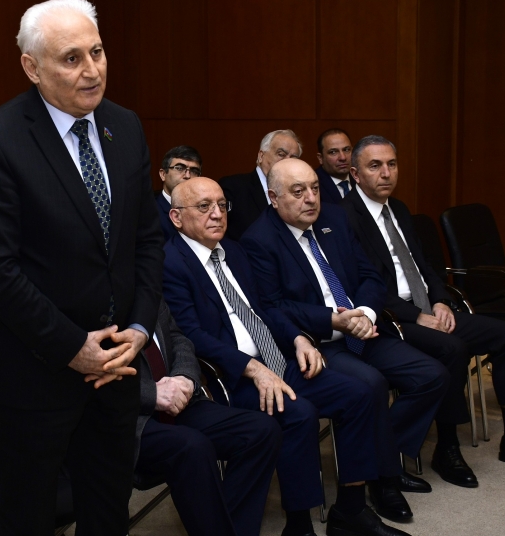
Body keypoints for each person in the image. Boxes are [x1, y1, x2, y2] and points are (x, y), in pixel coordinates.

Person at [0, 0, 163, 536]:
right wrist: (74, 348)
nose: (92, 70)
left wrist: (140, 328)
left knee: (107, 513)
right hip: (34, 376)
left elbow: (146, 240)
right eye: (72, 58)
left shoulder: (125, 125)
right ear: (32, 67)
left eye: (97, 52)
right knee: (28, 518)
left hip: (116, 367)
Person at [165, 177, 407, 536]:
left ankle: (351, 510)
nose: (217, 214)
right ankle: (299, 524)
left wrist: (298, 339)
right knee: (299, 414)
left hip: (275, 360)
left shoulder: (233, 250)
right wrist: (253, 369)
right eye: (204, 207)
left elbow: (264, 309)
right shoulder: (170, 263)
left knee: (359, 394)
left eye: (221, 205)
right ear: (176, 217)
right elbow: (191, 335)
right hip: (231, 377)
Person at [341, 135, 505, 486]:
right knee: (452, 348)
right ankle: (447, 447)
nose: (386, 173)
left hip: (426, 306)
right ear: (356, 174)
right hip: (390, 319)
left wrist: (439, 301)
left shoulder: (398, 209)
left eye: (392, 164)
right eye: (375, 166)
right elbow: (360, 285)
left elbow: (424, 266)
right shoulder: (345, 218)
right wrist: (416, 316)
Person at [240, 159, 449, 524]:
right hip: (320, 341)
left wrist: (365, 314)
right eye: (298, 191)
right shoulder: (258, 239)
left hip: (363, 327)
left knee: (432, 375)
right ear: (273, 197)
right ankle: (384, 480)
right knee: (370, 385)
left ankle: (381, 459)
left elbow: (370, 276)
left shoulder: (334, 218)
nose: (311, 198)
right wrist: (332, 320)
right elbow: (273, 307)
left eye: (314, 188)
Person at [134, 299, 282, 536]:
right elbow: (88, 382)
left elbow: (178, 339)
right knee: (193, 447)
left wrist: (184, 377)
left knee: (262, 431)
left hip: (180, 401)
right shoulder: (93, 298)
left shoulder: (148, 288)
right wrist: (152, 394)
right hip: (132, 419)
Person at [219, 129, 302, 241]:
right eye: (281, 154)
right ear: (261, 156)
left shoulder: (301, 195)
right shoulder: (233, 188)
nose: (287, 162)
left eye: (293, 158)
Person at [155, 146, 202, 241]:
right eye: (180, 168)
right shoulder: (149, 210)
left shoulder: (204, 208)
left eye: (194, 171)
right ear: (163, 174)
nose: (188, 176)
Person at [316, 129, 355, 205]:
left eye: (346, 150)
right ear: (320, 158)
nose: (343, 157)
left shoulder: (362, 180)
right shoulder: (314, 186)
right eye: (333, 152)